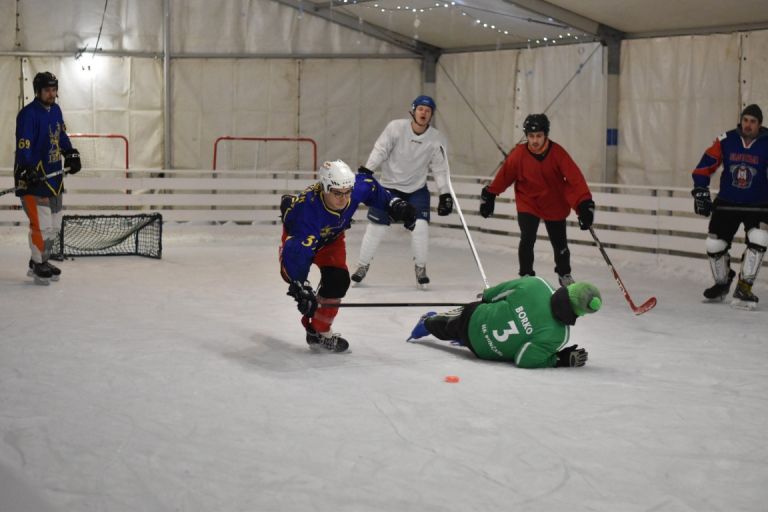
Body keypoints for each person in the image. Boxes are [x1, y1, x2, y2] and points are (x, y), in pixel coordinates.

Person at [280, 160, 417, 352]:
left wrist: (396, 204)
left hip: (332, 239)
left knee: (338, 280)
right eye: (337, 193)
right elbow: (294, 256)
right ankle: (311, 313)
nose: (344, 199)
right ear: (325, 188)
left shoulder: (354, 188)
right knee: (296, 281)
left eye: (347, 192)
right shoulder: (306, 213)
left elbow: (371, 187)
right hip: (300, 241)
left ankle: (319, 330)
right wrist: (301, 287)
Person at [478, 113, 594, 287]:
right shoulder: (519, 154)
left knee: (559, 241)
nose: (534, 141)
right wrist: (490, 194)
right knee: (527, 238)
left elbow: (575, 179)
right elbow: (505, 176)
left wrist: (584, 204)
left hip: (554, 201)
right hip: (528, 202)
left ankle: (564, 274)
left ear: (546, 135)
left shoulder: (558, 153)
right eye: (531, 136)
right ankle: (526, 275)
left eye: (539, 136)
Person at [351, 95, 452, 288]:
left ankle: (420, 269)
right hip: (388, 187)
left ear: (431, 116)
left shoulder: (436, 139)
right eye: (421, 109)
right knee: (376, 229)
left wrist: (444, 192)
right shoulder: (396, 128)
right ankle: (362, 266)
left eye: (428, 111)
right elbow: (381, 149)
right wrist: (368, 169)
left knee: (420, 228)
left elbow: (440, 167)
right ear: (413, 111)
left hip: (416, 189)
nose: (424, 113)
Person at [407, 276, 601, 369]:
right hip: (483, 352)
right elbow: (524, 359)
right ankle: (460, 337)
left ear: (570, 288)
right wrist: (558, 359)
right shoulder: (559, 335)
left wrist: (486, 296)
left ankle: (428, 323)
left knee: (450, 323)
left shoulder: (537, 285)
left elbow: (498, 292)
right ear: (581, 313)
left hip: (473, 319)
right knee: (462, 330)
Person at [691, 103, 768, 310]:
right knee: (713, 245)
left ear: (759, 124)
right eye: (745, 120)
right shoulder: (726, 140)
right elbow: (703, 167)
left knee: (759, 238)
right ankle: (722, 283)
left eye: (752, 121)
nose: (748, 125)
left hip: (759, 203)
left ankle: (744, 286)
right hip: (727, 201)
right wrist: (701, 191)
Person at [14, 71, 81, 285]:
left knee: (54, 225)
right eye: (47, 90)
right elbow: (24, 145)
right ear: (38, 91)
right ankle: (36, 263)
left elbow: (60, 136)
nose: (51, 94)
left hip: (54, 177)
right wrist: (27, 169)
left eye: (54, 89)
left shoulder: (56, 110)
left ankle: (43, 259)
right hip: (33, 178)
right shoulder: (28, 114)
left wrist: (70, 153)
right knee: (41, 225)